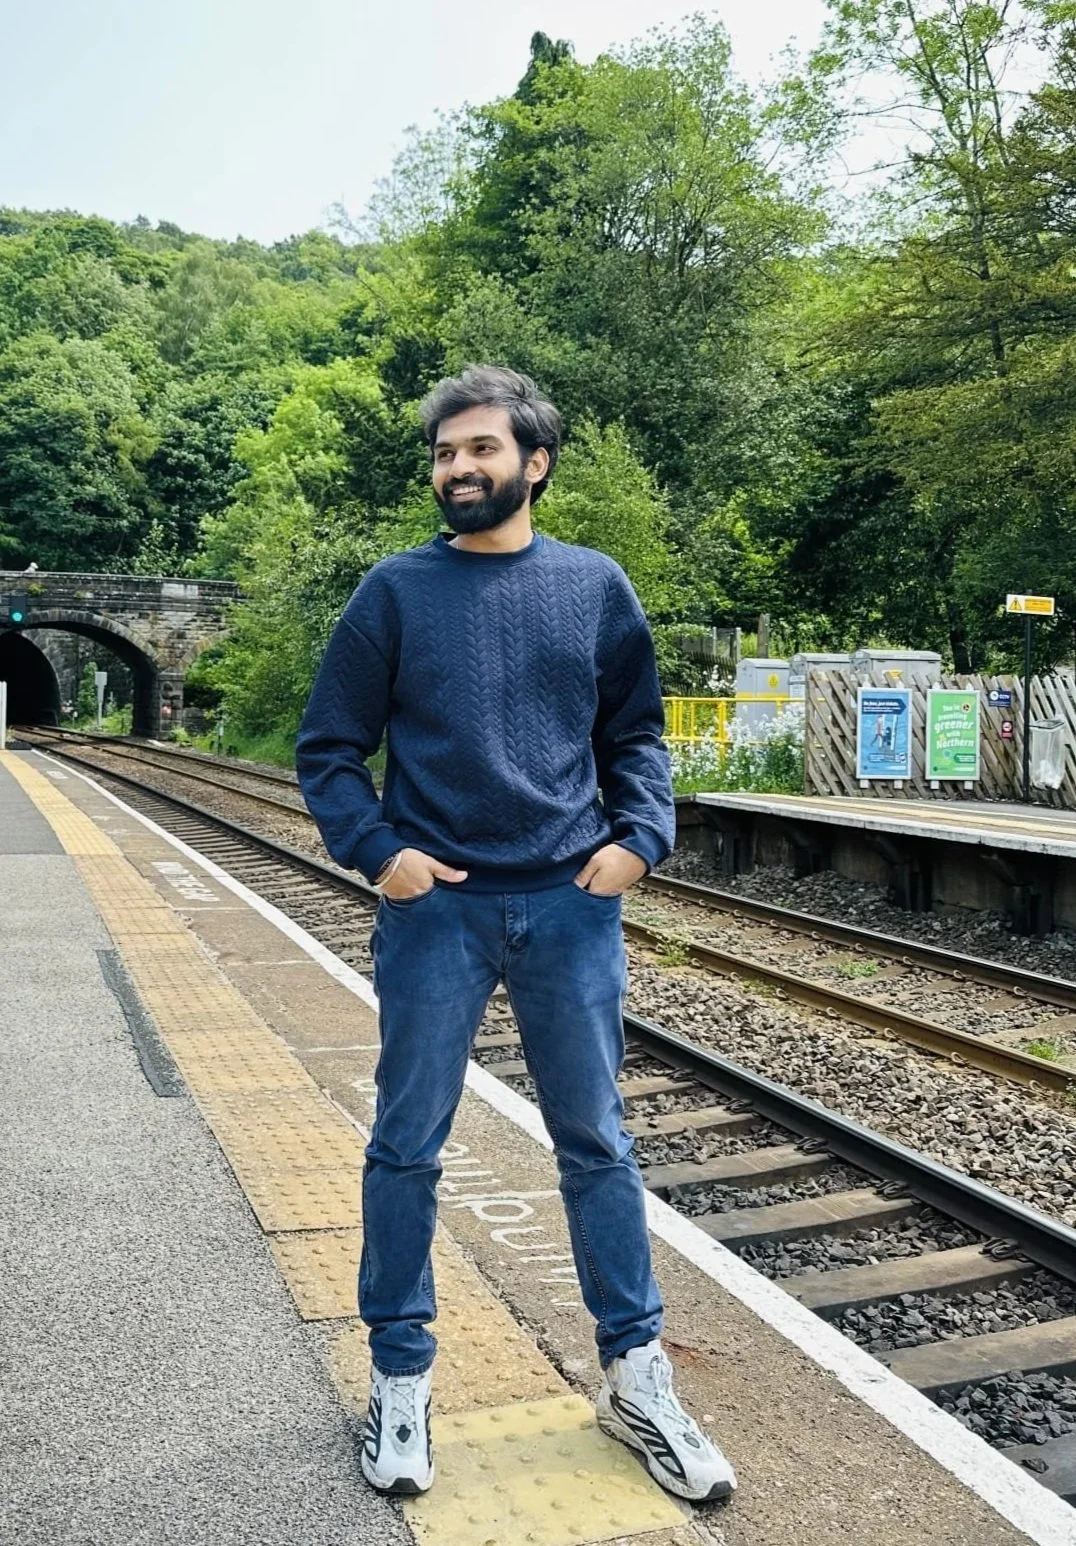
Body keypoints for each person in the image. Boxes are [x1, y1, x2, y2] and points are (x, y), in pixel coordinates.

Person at [296, 365, 737, 1507]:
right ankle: (399, 1376)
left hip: (569, 906)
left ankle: (637, 1380)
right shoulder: (392, 592)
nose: (458, 469)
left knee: (594, 1141)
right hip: (434, 910)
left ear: (532, 463)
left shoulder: (594, 588)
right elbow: (327, 748)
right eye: (444, 454)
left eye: (480, 450)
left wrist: (638, 842)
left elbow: (635, 734)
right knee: (407, 1143)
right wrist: (380, 854)